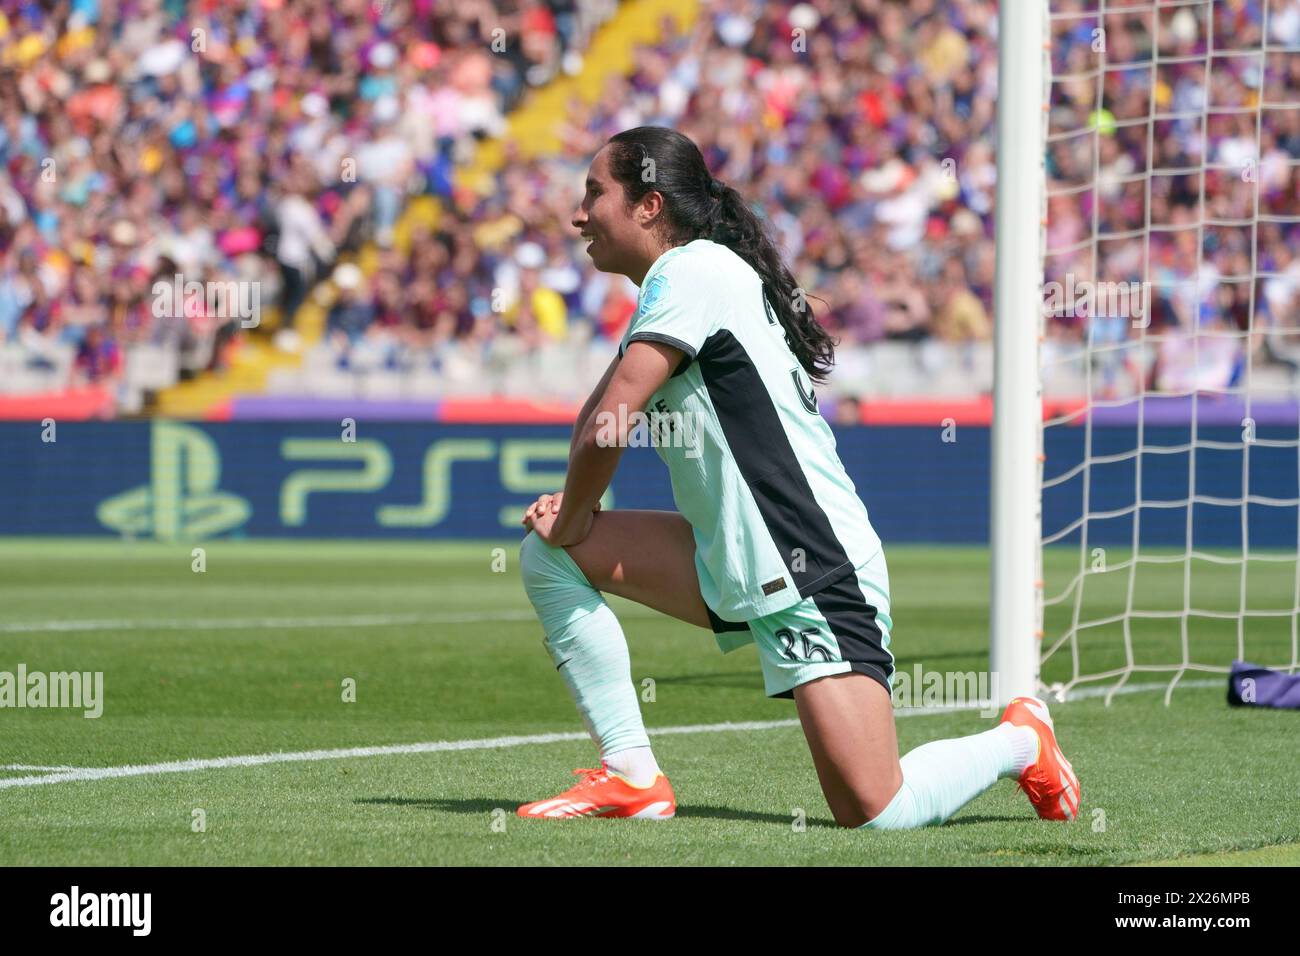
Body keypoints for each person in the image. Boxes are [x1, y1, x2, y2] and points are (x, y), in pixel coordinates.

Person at [515, 126, 1080, 827]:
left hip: (811, 562)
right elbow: (600, 417)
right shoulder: (683, 280)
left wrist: (574, 512)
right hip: (735, 556)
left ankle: (1020, 737)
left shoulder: (695, 272)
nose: (578, 214)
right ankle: (632, 776)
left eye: (594, 193)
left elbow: (612, 423)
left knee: (876, 810)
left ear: (649, 205)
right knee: (550, 554)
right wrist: (570, 515)